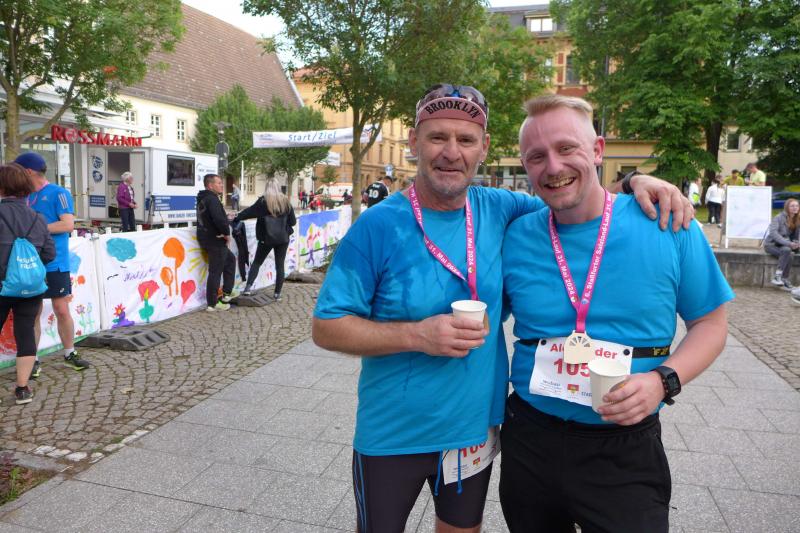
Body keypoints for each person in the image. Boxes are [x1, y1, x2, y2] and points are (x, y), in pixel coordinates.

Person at [311, 83, 693, 533]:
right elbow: (326, 326)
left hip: (474, 430)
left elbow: (570, 194)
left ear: (484, 147)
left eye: (466, 139)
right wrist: (417, 335)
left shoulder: (502, 208)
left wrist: (635, 182)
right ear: (414, 142)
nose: (451, 152)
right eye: (437, 137)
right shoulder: (377, 225)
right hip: (393, 432)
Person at [499, 94, 734, 532]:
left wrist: (662, 381)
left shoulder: (667, 222)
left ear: (597, 150)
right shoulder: (515, 235)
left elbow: (710, 324)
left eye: (566, 148)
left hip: (624, 448)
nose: (553, 166)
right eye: (536, 156)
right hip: (529, 440)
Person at [16, 152, 91, 377]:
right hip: (29, 263)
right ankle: (33, 359)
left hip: (55, 262)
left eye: (18, 171)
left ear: (28, 172)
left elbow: (67, 225)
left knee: (61, 309)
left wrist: (35, 228)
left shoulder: (59, 192)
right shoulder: (22, 195)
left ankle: (69, 353)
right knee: (33, 312)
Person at [0, 164, 55, 404]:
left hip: (2, 285)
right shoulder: (37, 218)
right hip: (31, 287)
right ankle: (22, 389)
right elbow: (49, 254)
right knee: (25, 333)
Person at [233, 178, 296, 300]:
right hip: (283, 238)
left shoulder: (262, 202)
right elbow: (293, 222)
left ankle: (247, 288)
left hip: (265, 238)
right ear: (278, 188)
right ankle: (277, 294)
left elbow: (248, 212)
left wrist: (236, 217)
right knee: (280, 265)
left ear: (267, 188)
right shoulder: (286, 202)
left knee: (257, 262)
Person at [196, 173, 238, 311]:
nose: (221, 185)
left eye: (221, 182)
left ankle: (226, 293)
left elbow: (211, 217)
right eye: (218, 183)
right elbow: (218, 219)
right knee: (215, 271)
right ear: (210, 185)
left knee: (230, 260)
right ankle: (212, 304)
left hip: (208, 237)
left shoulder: (205, 198)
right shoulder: (212, 199)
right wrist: (226, 233)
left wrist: (225, 218)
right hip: (215, 239)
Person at [764, 198, 799, 291]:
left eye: (797, 206)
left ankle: (783, 279)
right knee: (787, 251)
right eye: (792, 206)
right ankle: (778, 277)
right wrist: (789, 243)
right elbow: (773, 233)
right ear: (787, 207)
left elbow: (797, 235)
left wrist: (797, 243)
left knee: (789, 253)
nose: (795, 208)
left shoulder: (797, 219)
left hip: (785, 245)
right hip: (771, 245)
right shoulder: (778, 218)